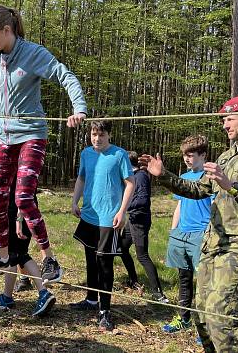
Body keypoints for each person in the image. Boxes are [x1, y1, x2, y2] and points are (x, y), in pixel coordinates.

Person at [140, 95, 238, 352]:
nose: (225, 125)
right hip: (213, 242)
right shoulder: (225, 158)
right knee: (201, 313)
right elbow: (197, 190)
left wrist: (232, 188)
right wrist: (163, 175)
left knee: (222, 314)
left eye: (230, 119)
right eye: (223, 120)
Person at [0, 4, 87, 283]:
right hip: (2, 137)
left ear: (7, 30)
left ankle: (49, 258)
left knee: (23, 198)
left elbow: (66, 76)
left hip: (31, 134)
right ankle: (4, 257)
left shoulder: (33, 54)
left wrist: (79, 109)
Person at [69, 121, 135, 331]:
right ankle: (90, 300)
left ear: (109, 135)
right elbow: (81, 178)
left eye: (101, 134)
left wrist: (122, 211)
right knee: (90, 258)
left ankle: (105, 311)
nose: (97, 138)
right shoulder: (86, 154)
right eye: (94, 134)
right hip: (89, 215)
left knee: (104, 263)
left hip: (109, 218)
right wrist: (74, 200)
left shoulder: (119, 154)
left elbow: (130, 183)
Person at [161, 135, 213, 333]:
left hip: (201, 235)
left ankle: (206, 327)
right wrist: (174, 230)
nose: (187, 159)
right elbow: (180, 205)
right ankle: (183, 318)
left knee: (204, 283)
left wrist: (210, 233)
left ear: (203, 155)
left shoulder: (210, 177)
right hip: (180, 234)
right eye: (185, 155)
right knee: (184, 277)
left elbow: (216, 206)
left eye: (191, 155)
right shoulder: (183, 177)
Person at [0, 181, 56, 316]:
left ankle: (38, 293)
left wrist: (19, 219)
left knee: (16, 253)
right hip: (13, 210)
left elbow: (25, 191)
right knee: (18, 254)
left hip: (16, 213)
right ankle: (13, 296)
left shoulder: (21, 161)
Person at [116, 151, 169, 303]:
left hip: (139, 220)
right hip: (132, 220)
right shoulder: (132, 176)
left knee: (142, 256)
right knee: (122, 248)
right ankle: (133, 281)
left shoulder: (141, 177)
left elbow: (143, 200)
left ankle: (158, 293)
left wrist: (124, 207)